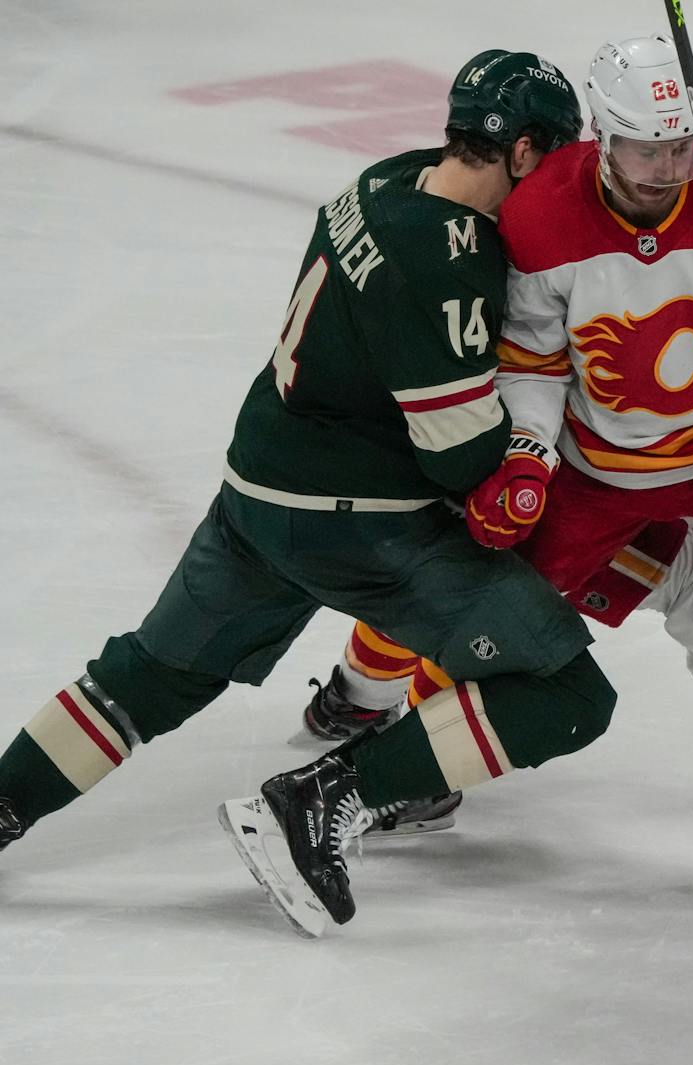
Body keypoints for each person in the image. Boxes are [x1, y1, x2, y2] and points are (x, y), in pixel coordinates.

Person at [0, 52, 605, 937]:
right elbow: (457, 465)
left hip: (257, 491)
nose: (554, 184)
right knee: (569, 693)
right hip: (363, 529)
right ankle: (326, 796)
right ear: (519, 151)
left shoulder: (388, 179)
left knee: (145, 679)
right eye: (551, 159)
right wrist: (529, 454)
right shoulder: (445, 262)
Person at [293, 32, 693, 873]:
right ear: (600, 132)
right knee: (478, 603)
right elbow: (533, 361)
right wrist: (527, 453)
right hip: (602, 473)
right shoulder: (541, 217)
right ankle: (387, 721)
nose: (668, 169)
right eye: (646, 149)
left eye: (682, 147)